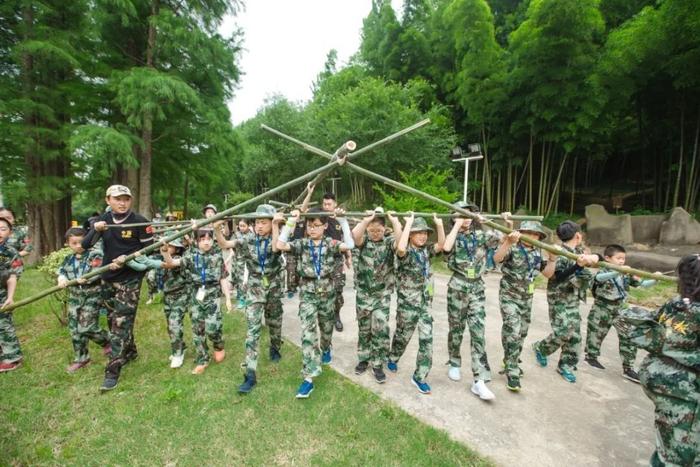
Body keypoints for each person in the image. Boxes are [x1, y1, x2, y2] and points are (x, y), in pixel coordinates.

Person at [615, 255, 699, 466]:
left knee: (668, 437)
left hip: (659, 377)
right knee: (680, 453)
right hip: (684, 388)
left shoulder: (676, 303)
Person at [81, 185, 154, 392]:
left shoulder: (140, 222)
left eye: (126, 199)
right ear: (108, 200)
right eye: (117, 199)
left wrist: (129, 259)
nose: (122, 203)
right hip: (108, 278)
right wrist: (96, 229)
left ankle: (112, 371)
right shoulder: (102, 220)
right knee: (114, 319)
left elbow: (150, 252)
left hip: (130, 279)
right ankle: (130, 351)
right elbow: (85, 245)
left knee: (120, 325)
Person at [276, 207, 354, 399]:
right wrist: (291, 222)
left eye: (316, 225)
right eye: (309, 225)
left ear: (325, 226)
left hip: (327, 293)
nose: (312, 229)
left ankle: (327, 347)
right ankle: (308, 378)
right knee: (308, 334)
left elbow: (350, 245)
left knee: (326, 330)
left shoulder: (330, 243)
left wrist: (343, 222)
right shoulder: (302, 243)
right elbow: (280, 245)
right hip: (308, 294)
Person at [441, 201, 509, 400]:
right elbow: (445, 248)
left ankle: (479, 379)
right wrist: (457, 223)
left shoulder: (480, 236)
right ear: (453, 217)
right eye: (462, 214)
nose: (466, 218)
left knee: (478, 331)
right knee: (456, 328)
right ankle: (454, 362)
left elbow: (504, 239)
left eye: (469, 214)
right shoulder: (452, 236)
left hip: (477, 287)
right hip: (457, 286)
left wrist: (500, 222)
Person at [215, 204, 284, 394]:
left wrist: (277, 226)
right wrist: (216, 229)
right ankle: (250, 374)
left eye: (264, 222)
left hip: (274, 286)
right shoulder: (247, 239)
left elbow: (276, 248)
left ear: (272, 223)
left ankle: (275, 346)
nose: (259, 226)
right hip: (254, 287)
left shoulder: (279, 237)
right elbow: (225, 245)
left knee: (274, 322)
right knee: (252, 330)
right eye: (257, 222)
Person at [532, 220, 599, 383]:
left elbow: (600, 257)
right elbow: (557, 277)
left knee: (575, 335)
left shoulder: (580, 250)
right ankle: (541, 347)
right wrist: (578, 266)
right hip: (559, 297)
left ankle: (566, 365)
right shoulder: (559, 252)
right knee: (564, 331)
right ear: (578, 235)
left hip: (573, 297)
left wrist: (594, 257)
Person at [493, 221, 556, 391]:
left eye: (535, 234)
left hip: (526, 297)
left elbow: (548, 274)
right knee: (512, 329)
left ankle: (509, 358)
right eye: (528, 233)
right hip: (509, 295)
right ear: (521, 233)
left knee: (522, 331)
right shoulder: (513, 247)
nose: (532, 237)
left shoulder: (537, 251)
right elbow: (496, 259)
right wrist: (508, 242)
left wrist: (552, 259)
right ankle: (512, 370)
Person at [387, 213, 445, 395]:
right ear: (410, 234)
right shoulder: (405, 252)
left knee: (427, 341)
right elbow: (401, 248)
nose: (423, 236)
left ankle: (419, 376)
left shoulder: (426, 251)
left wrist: (439, 225)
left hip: (425, 304)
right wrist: (408, 224)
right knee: (403, 337)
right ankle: (393, 356)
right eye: (418, 233)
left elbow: (442, 245)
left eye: (425, 233)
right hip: (407, 305)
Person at [584, 244, 656, 383]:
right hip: (602, 308)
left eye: (623, 259)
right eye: (618, 258)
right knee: (596, 334)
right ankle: (591, 357)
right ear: (607, 258)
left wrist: (656, 278)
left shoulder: (625, 274)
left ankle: (628, 367)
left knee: (629, 335)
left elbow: (642, 284)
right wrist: (618, 271)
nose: (622, 261)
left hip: (620, 309)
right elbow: (599, 279)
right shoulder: (602, 272)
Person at [163, 228, 225, 375]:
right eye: (202, 239)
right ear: (196, 242)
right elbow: (171, 262)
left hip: (213, 296)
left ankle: (218, 345)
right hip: (196, 296)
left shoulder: (217, 255)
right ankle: (202, 358)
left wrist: (228, 298)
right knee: (198, 329)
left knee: (212, 328)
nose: (206, 242)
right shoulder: (190, 257)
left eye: (209, 239)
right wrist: (165, 251)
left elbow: (223, 276)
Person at [351, 208, 402, 384]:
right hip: (364, 295)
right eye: (372, 230)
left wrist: (395, 222)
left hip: (382, 296)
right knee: (364, 328)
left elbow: (401, 243)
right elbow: (354, 236)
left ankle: (378, 363)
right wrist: (367, 220)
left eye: (378, 230)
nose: (375, 234)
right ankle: (364, 359)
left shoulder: (388, 242)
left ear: (384, 230)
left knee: (380, 329)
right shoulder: (363, 241)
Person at [57, 227, 111, 373]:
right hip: (75, 298)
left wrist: (86, 279)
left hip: (92, 296)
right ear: (68, 244)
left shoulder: (94, 255)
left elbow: (98, 271)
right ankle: (81, 358)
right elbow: (61, 271)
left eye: (81, 242)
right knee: (75, 330)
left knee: (87, 326)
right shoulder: (68, 259)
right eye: (74, 243)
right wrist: (61, 279)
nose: (78, 246)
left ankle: (109, 341)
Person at [321, 192, 351, 333]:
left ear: (335, 205)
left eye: (329, 204)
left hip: (337, 259)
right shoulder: (319, 218)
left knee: (338, 290)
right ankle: (323, 315)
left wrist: (348, 256)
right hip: (321, 259)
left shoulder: (339, 219)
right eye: (324, 204)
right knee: (321, 290)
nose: (326, 206)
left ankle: (336, 315)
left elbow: (345, 237)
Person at [159, 238, 190, 368]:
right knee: (170, 325)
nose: (166, 247)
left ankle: (178, 354)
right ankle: (180, 346)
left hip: (180, 295)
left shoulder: (177, 259)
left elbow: (170, 264)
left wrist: (165, 253)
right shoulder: (162, 258)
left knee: (174, 323)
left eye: (170, 246)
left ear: (177, 248)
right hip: (168, 296)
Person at [0, 217, 24, 373]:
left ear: (9, 232)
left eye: (3, 229)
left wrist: (9, 297)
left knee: (3, 323)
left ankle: (13, 357)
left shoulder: (10, 252)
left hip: (1, 292)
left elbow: (13, 276)